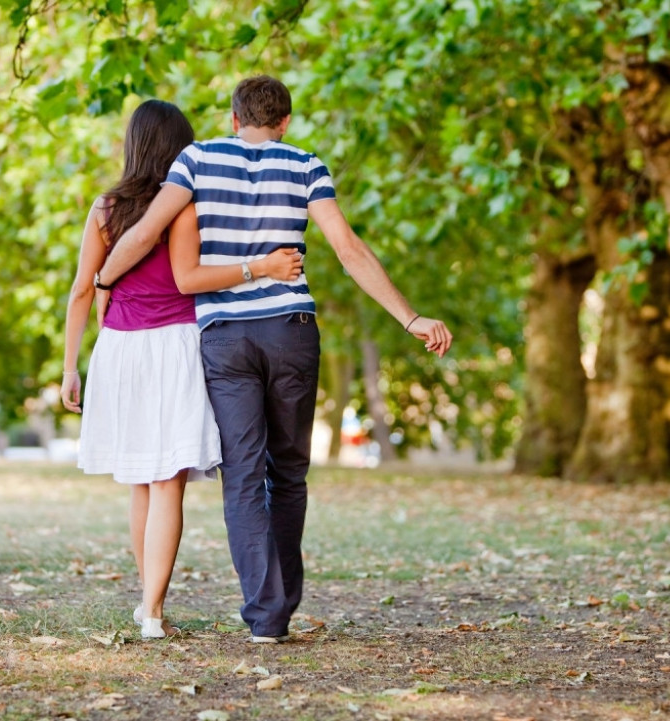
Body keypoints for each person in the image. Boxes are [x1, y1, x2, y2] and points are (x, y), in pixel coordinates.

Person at [96, 75, 453, 643]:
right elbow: (349, 248)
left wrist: (103, 276)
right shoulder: (307, 164)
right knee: (288, 472)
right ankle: (279, 610)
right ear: (285, 121)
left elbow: (145, 233)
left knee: (242, 474)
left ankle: (263, 616)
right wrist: (410, 318)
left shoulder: (197, 159)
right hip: (291, 331)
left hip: (226, 338)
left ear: (234, 119)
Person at [61, 98, 304, 640]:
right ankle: (151, 610)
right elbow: (190, 277)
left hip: (119, 348)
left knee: (139, 482)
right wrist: (259, 268)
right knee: (167, 482)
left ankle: (147, 603)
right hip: (174, 346)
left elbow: (82, 289)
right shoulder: (186, 205)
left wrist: (69, 366)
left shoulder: (104, 209)